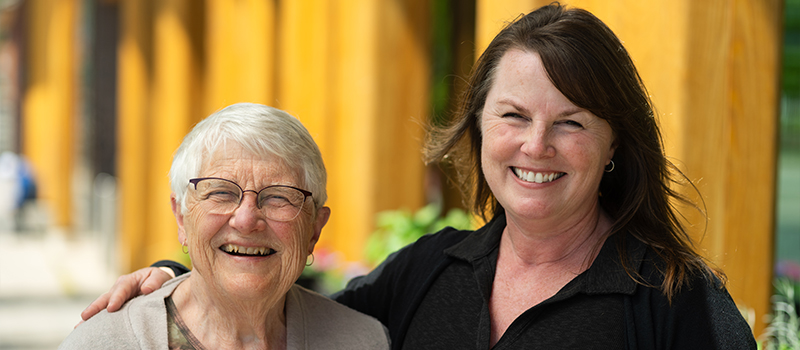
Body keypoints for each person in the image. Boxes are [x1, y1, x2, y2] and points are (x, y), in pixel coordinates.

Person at [80, 4, 756, 349]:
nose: (537, 145)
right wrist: (178, 276)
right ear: (478, 129)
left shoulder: (674, 300)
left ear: (614, 144)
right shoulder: (429, 272)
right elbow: (286, 302)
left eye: (571, 122)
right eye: (513, 115)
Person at [61, 103, 390, 349]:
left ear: (315, 229)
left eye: (278, 197)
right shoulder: (108, 343)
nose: (246, 220)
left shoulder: (362, 340)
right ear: (181, 217)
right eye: (221, 192)